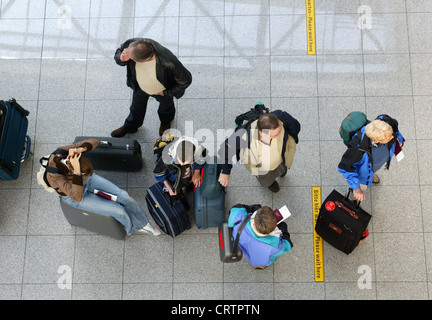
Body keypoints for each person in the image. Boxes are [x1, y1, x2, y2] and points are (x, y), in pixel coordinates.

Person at [46, 138, 161, 236]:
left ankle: (142, 224)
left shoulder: (63, 152)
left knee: (124, 197)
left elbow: (95, 142)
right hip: (75, 195)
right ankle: (131, 228)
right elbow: (76, 196)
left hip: (86, 181)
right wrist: (76, 171)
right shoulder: (54, 176)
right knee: (119, 211)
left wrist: (80, 148)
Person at [111, 38, 192, 137]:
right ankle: (130, 126)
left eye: (130, 57)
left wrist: (167, 93)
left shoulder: (168, 61)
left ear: (144, 61)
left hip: (161, 89)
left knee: (166, 107)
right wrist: (121, 59)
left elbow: (186, 80)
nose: (126, 52)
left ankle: (165, 122)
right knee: (136, 108)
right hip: (140, 86)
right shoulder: (132, 45)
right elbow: (119, 52)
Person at [218, 109, 300, 193]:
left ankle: (281, 172)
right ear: (263, 133)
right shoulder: (243, 135)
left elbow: (295, 125)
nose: (279, 133)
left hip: (280, 158)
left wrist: (292, 138)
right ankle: (270, 183)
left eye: (280, 130)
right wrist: (225, 171)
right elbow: (226, 148)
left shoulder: (279, 117)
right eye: (276, 134)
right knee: (266, 179)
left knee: (282, 168)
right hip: (261, 168)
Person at [338, 114, 405, 202]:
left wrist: (399, 140)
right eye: (389, 138)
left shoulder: (385, 122)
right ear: (376, 141)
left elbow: (396, 131)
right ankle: (353, 199)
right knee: (360, 185)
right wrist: (356, 188)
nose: (393, 137)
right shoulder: (357, 148)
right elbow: (345, 168)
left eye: (391, 134)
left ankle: (371, 173)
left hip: (372, 164)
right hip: (362, 174)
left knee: (371, 167)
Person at [228, 204, 293, 269]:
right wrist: (283, 229)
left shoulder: (239, 217)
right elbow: (288, 245)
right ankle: (258, 267)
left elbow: (236, 209)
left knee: (256, 206)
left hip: (242, 242)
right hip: (258, 262)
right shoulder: (275, 245)